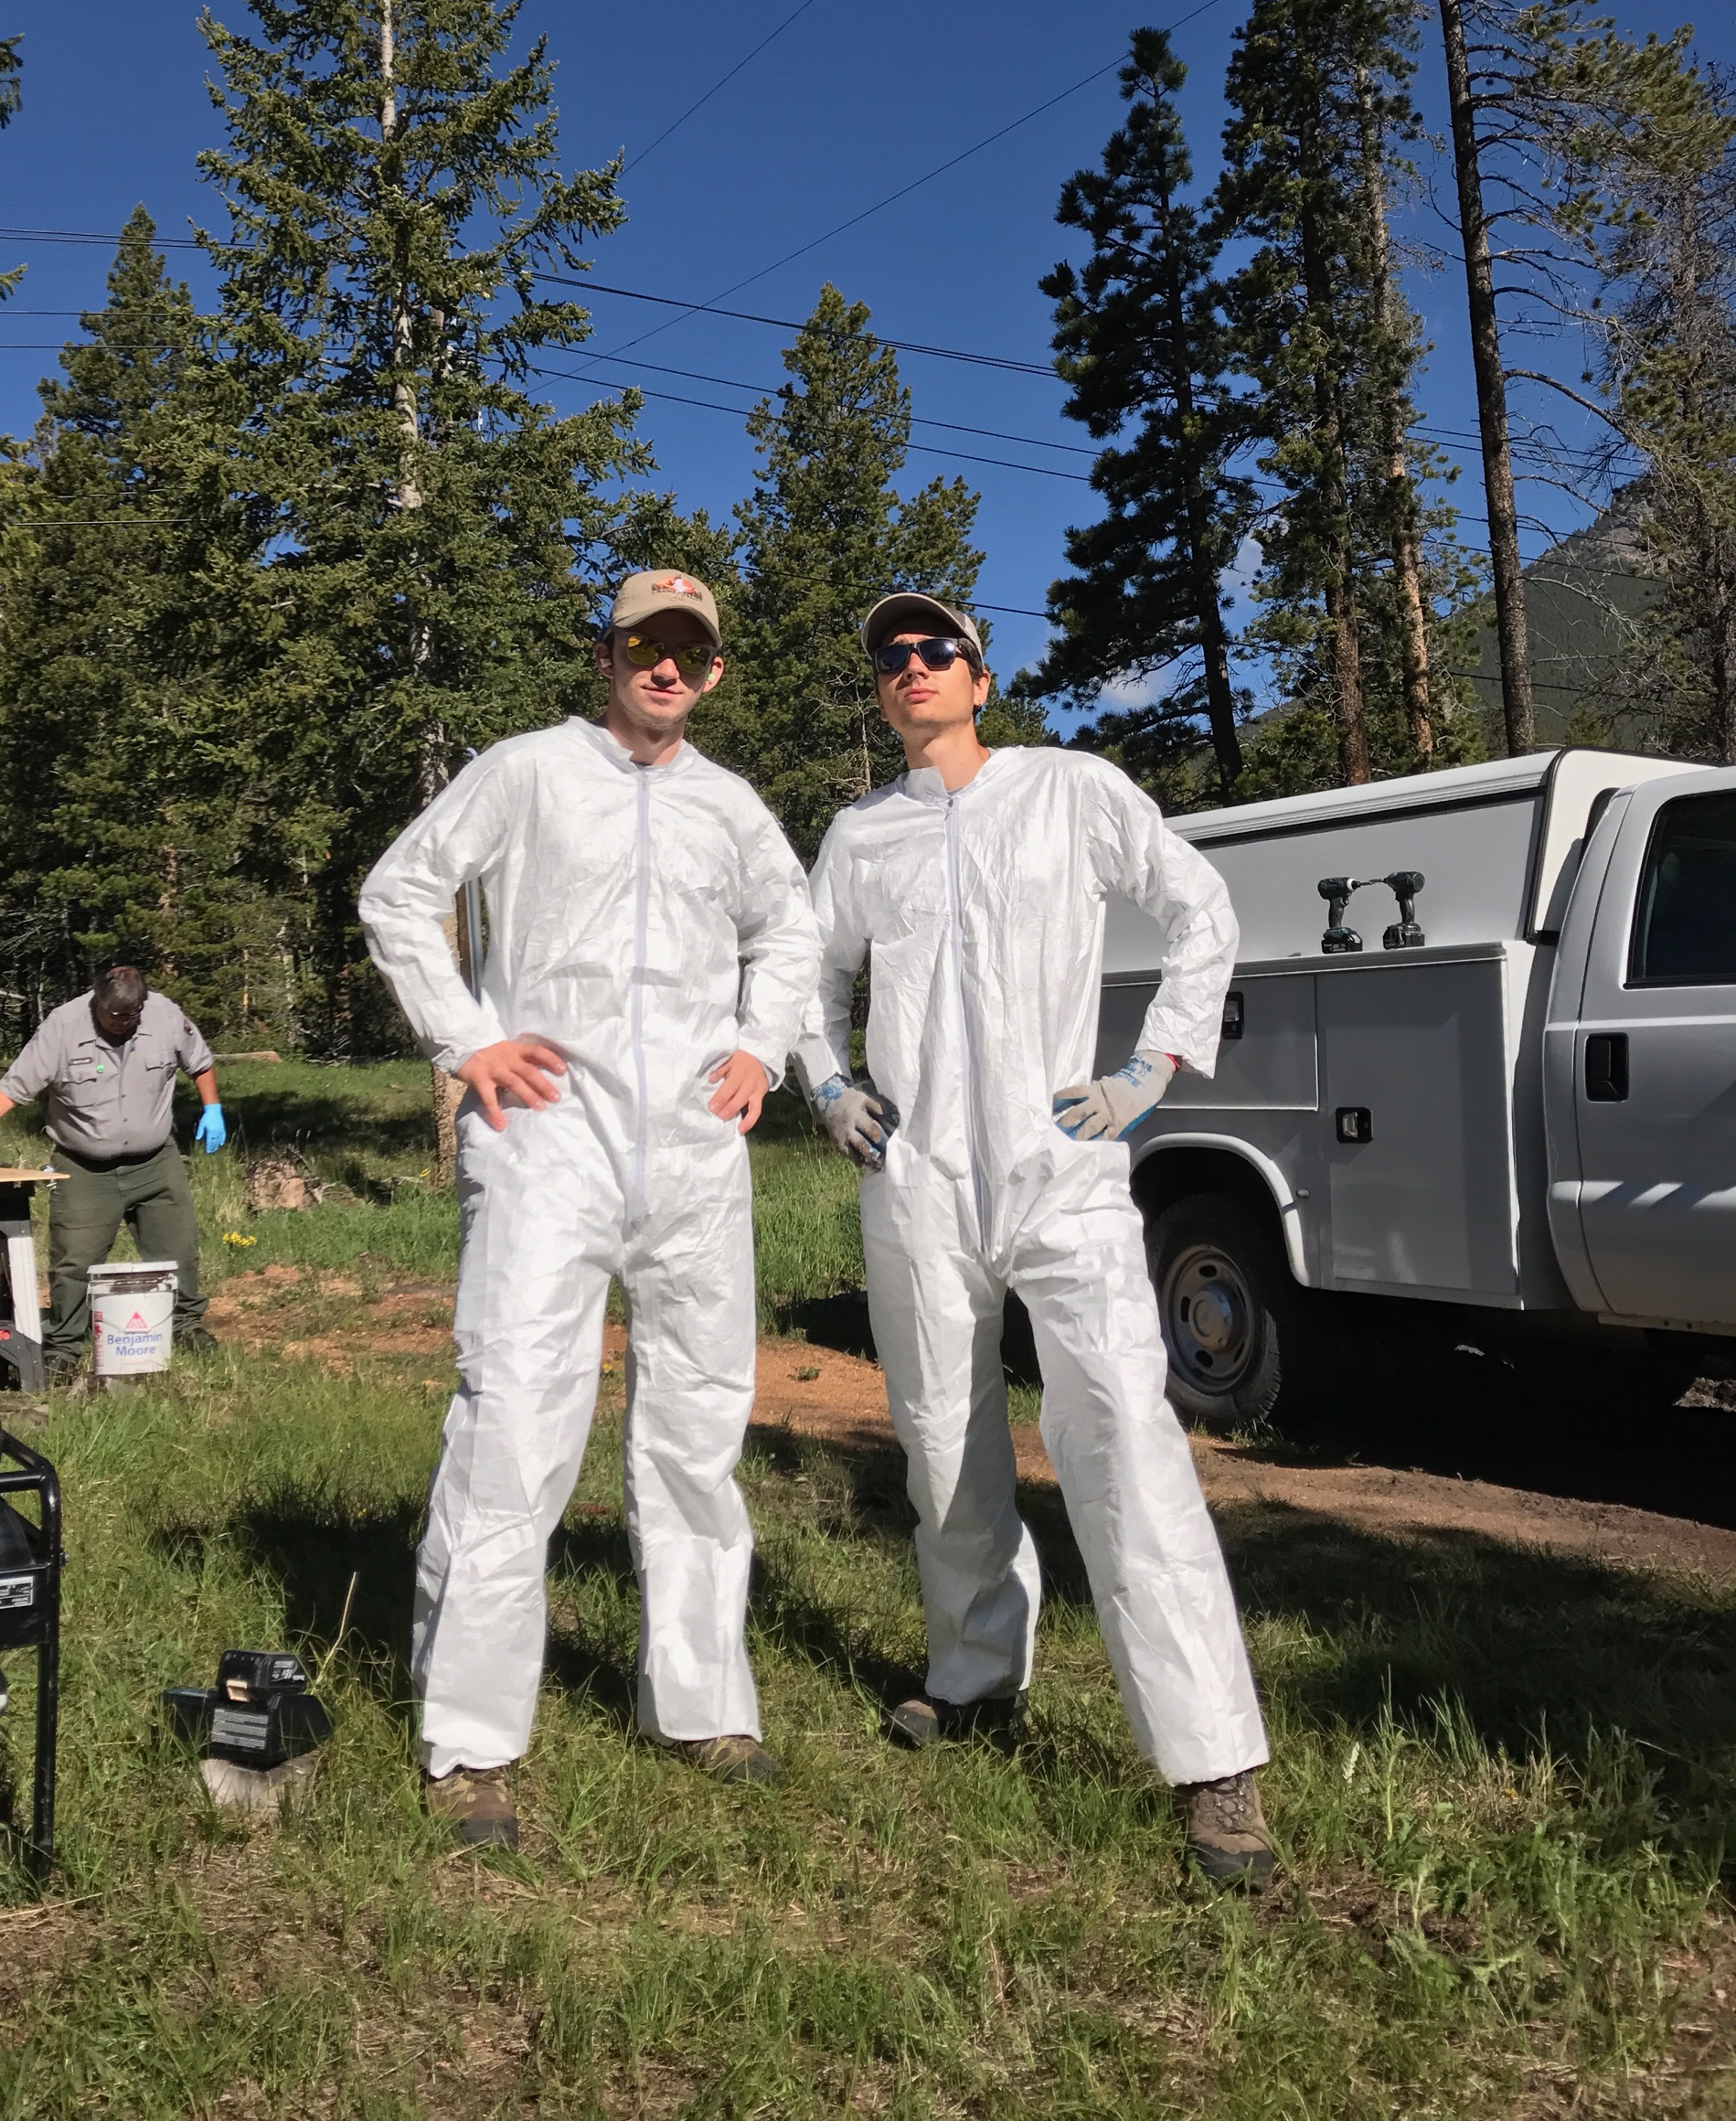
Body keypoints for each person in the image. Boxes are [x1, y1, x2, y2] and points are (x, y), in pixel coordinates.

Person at [800, 592, 1274, 1888]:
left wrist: (1154, 1066)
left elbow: (1200, 909)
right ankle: (972, 1675)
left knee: (1120, 1426)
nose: (909, 669)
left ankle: (1214, 1761)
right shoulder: (860, 834)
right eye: (889, 657)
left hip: (1059, 1169)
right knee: (943, 1438)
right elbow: (801, 970)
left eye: (932, 650)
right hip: (916, 1179)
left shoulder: (1070, 790)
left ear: (979, 675)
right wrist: (826, 1083)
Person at [358, 570, 819, 1853]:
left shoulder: (731, 807)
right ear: (606, 654)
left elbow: (791, 930)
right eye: (645, 645)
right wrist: (468, 1040)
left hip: (692, 1151)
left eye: (691, 652)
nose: (666, 668)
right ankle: (472, 1740)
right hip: (546, 1137)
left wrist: (762, 1049)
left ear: (715, 672)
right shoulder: (526, 771)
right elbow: (400, 894)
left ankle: (702, 1704)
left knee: (696, 1424)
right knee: (514, 1419)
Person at [0, 963, 228, 1371]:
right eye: (114, 1015)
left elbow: (200, 1062)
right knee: (73, 1262)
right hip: (84, 1168)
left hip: (155, 1162)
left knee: (178, 1250)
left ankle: (186, 1324)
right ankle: (64, 1345)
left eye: (132, 1015)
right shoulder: (63, 1026)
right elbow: (16, 1085)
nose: (124, 1022)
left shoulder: (164, 1014)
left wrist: (212, 1108)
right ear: (97, 1003)